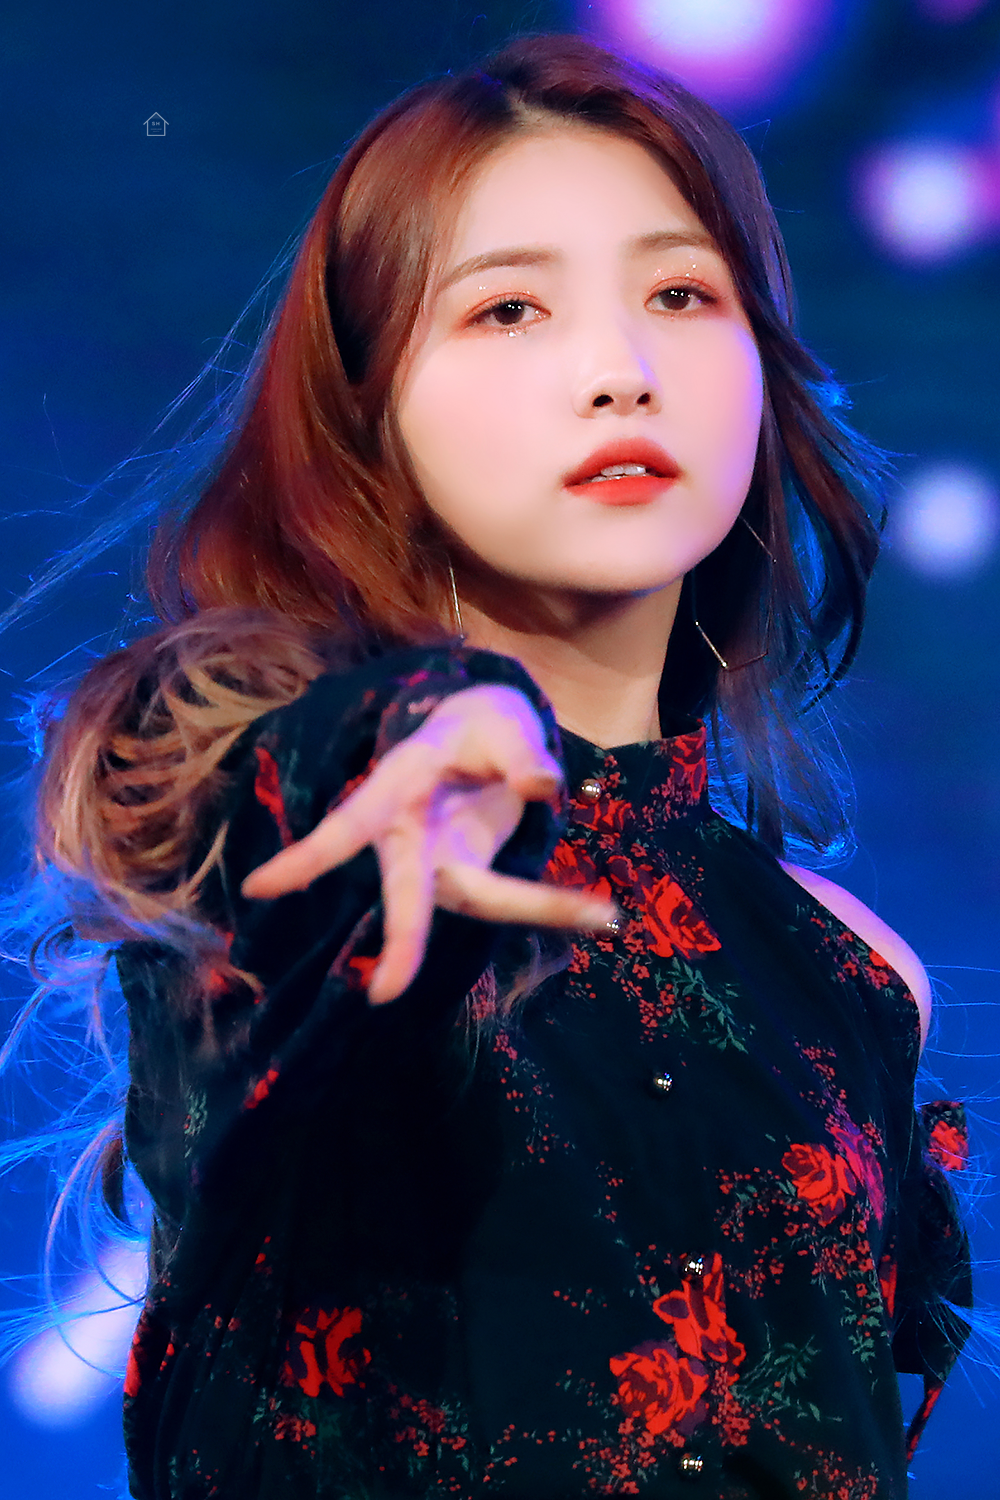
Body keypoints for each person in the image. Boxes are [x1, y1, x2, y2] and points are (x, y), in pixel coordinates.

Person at [31, 33, 971, 1500]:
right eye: (509, 309)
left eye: (680, 294)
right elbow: (267, 792)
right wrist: (409, 734)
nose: (619, 373)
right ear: (370, 416)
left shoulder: (858, 977)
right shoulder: (279, 829)